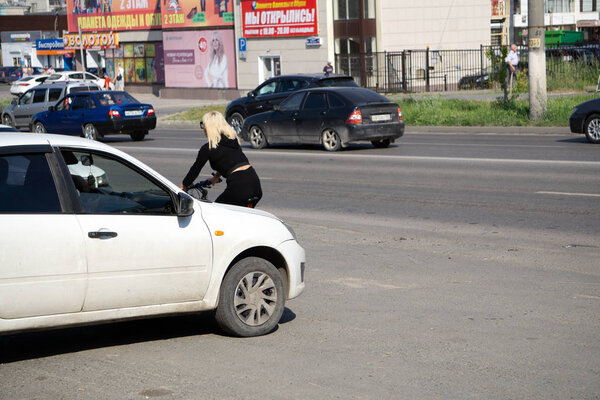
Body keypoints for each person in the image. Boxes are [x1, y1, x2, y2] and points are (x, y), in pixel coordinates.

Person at [181, 111, 262, 207]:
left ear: (209, 127)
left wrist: (183, 187)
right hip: (254, 182)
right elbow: (231, 162)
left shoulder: (208, 148)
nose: (203, 128)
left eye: (203, 125)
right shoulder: (232, 140)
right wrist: (215, 178)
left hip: (239, 186)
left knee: (216, 211)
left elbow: (195, 169)